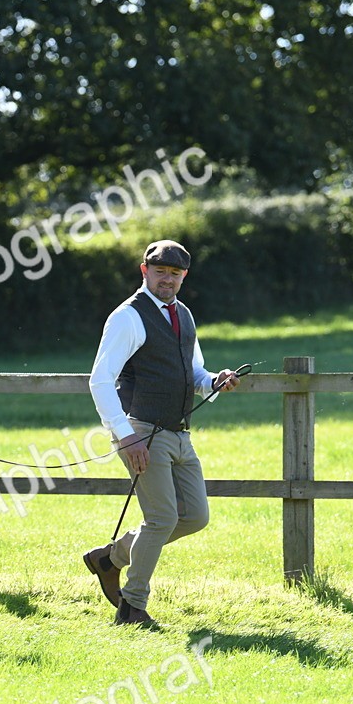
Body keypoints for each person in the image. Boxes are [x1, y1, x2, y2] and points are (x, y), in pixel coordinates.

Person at [83, 239, 241, 627]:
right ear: (144, 271)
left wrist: (214, 381)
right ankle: (132, 608)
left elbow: (195, 372)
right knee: (161, 519)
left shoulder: (183, 314)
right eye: (160, 272)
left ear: (184, 276)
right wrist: (126, 435)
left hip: (180, 433)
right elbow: (99, 380)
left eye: (175, 273)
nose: (167, 279)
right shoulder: (127, 317)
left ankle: (110, 559)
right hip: (141, 430)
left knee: (195, 516)